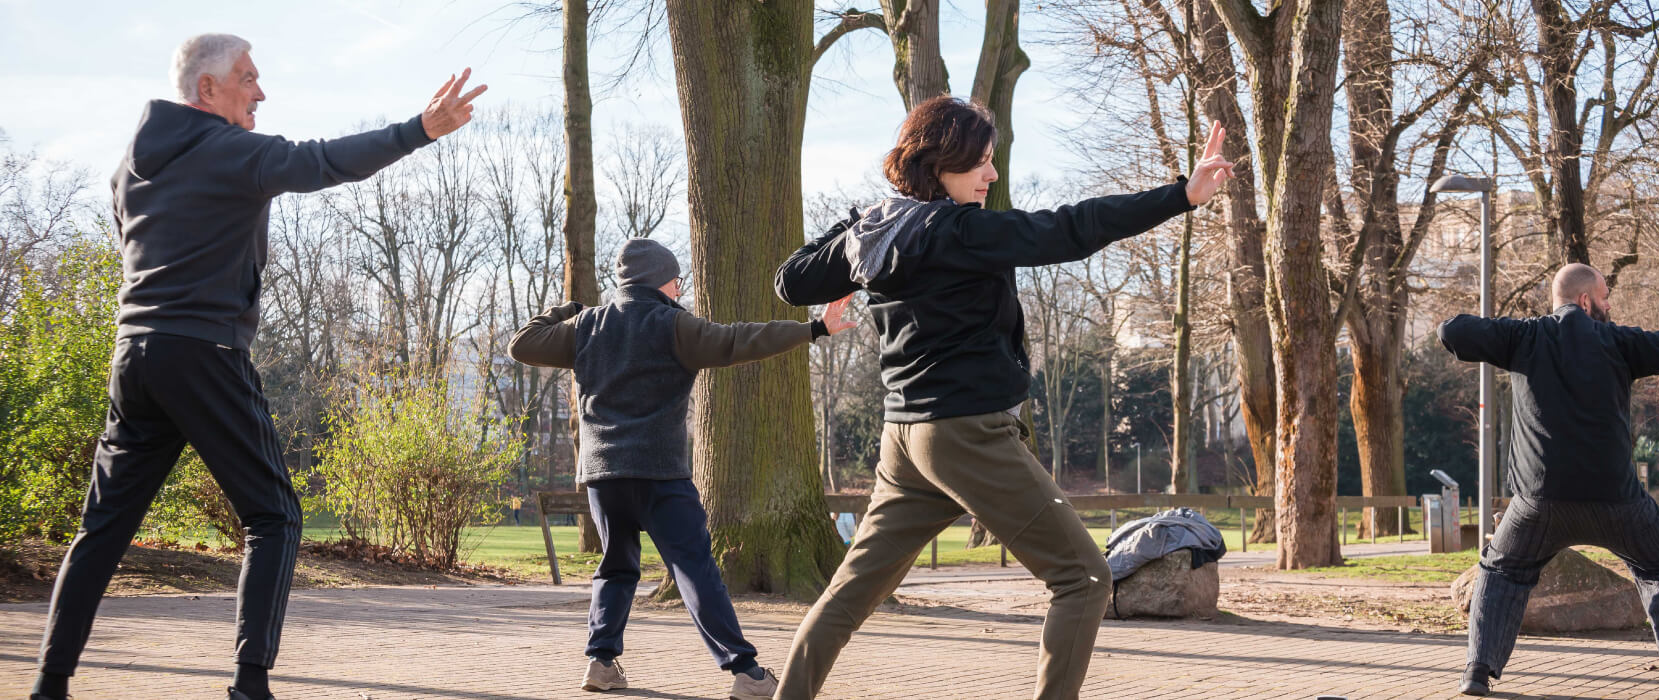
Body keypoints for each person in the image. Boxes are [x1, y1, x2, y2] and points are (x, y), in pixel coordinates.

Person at [32, 33, 485, 700]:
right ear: (206, 90)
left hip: (135, 357)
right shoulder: (231, 152)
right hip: (204, 352)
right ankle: (249, 687)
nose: (261, 92)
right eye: (247, 78)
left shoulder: (129, 166)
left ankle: (48, 685)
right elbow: (325, 161)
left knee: (101, 530)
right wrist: (420, 128)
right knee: (274, 517)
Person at [770, 96, 1233, 700]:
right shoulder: (957, 230)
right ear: (940, 163)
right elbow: (1071, 228)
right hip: (964, 434)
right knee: (1084, 578)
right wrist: (1181, 196)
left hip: (905, 440)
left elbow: (792, 279)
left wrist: (857, 220)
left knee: (850, 592)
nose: (991, 175)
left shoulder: (878, 235)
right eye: (981, 163)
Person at [507, 238, 857, 700]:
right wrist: (812, 329)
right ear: (664, 281)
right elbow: (738, 340)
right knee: (694, 567)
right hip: (658, 473)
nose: (679, 289)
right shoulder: (673, 324)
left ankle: (601, 662)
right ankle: (747, 674)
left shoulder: (587, 325)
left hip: (603, 475)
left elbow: (521, 345)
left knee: (615, 567)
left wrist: (565, 308)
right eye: (676, 281)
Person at [1438, 263, 1659, 700]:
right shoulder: (1621, 342)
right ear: (1586, 302)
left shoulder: (1522, 337)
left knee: (1501, 569)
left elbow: (1453, 332)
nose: (1610, 305)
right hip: (1615, 500)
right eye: (1605, 297)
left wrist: (1494, 330)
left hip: (1538, 503)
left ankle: (1477, 673)